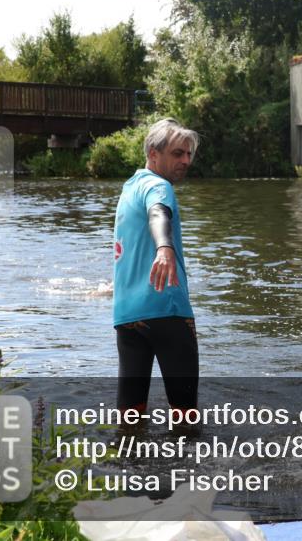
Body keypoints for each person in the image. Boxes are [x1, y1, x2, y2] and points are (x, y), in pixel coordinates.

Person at [113, 118, 200, 414]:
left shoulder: (130, 187)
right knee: (185, 416)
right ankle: (187, 460)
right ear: (153, 154)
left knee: (130, 413)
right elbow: (158, 213)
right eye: (178, 154)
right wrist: (165, 246)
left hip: (127, 315)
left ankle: (127, 460)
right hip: (167, 309)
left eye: (189, 154)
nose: (186, 161)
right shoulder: (159, 187)